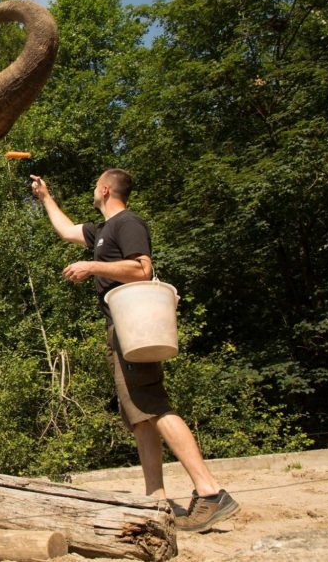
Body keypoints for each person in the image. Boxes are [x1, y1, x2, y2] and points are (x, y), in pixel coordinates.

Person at [31, 168, 239, 533]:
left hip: (135, 325)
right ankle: (155, 501)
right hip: (120, 328)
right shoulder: (101, 231)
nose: (93, 188)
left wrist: (91, 266)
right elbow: (66, 231)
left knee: (153, 404)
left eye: (96, 183)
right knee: (140, 415)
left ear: (106, 189)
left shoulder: (128, 223)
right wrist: (45, 197)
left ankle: (210, 491)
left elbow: (143, 269)